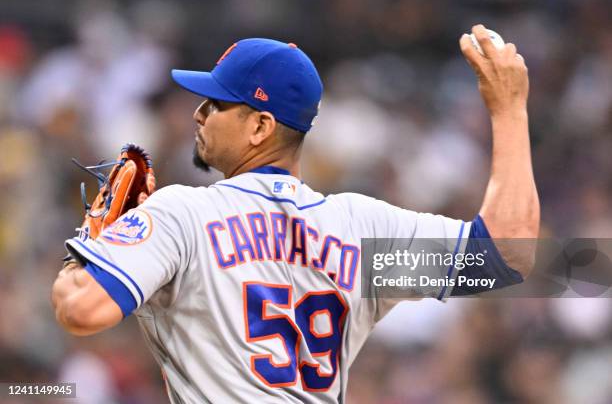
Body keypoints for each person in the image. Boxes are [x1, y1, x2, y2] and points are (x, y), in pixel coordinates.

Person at [51, 25, 539, 403]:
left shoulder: (184, 215)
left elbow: (80, 310)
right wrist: (510, 111)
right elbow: (508, 254)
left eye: (217, 103)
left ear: (261, 126)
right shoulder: (363, 233)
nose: (199, 113)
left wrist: (91, 245)